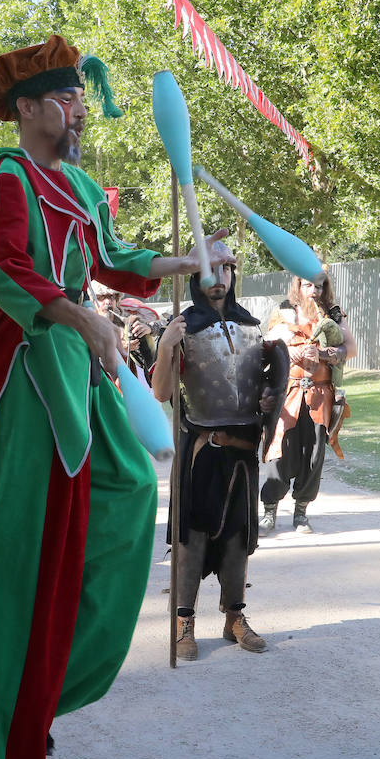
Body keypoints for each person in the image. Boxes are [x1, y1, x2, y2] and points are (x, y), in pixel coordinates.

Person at [0, 35, 233, 759]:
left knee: (129, 497)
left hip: (80, 360)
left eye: (78, 99)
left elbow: (115, 258)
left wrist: (189, 261)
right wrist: (80, 316)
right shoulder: (10, 177)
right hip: (32, 361)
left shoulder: (84, 186)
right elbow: (7, 271)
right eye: (64, 100)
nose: (77, 111)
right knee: (17, 557)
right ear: (28, 110)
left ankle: (45, 685)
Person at [152, 252, 282, 659]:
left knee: (237, 538)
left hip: (242, 448)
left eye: (225, 269)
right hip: (201, 448)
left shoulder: (251, 327)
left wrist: (267, 397)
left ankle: (234, 617)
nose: (218, 277)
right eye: (210, 269)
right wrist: (164, 349)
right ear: (196, 276)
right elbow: (163, 393)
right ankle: (183, 621)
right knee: (191, 536)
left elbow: (262, 383)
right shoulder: (182, 327)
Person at [259, 274, 356, 534]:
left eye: (320, 285)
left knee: (313, 455)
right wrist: (287, 351)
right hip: (288, 393)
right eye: (308, 284)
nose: (314, 290)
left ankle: (301, 513)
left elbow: (350, 349)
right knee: (278, 451)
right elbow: (265, 347)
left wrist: (324, 353)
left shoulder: (334, 315)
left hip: (320, 395)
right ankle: (269, 510)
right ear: (298, 286)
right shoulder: (283, 311)